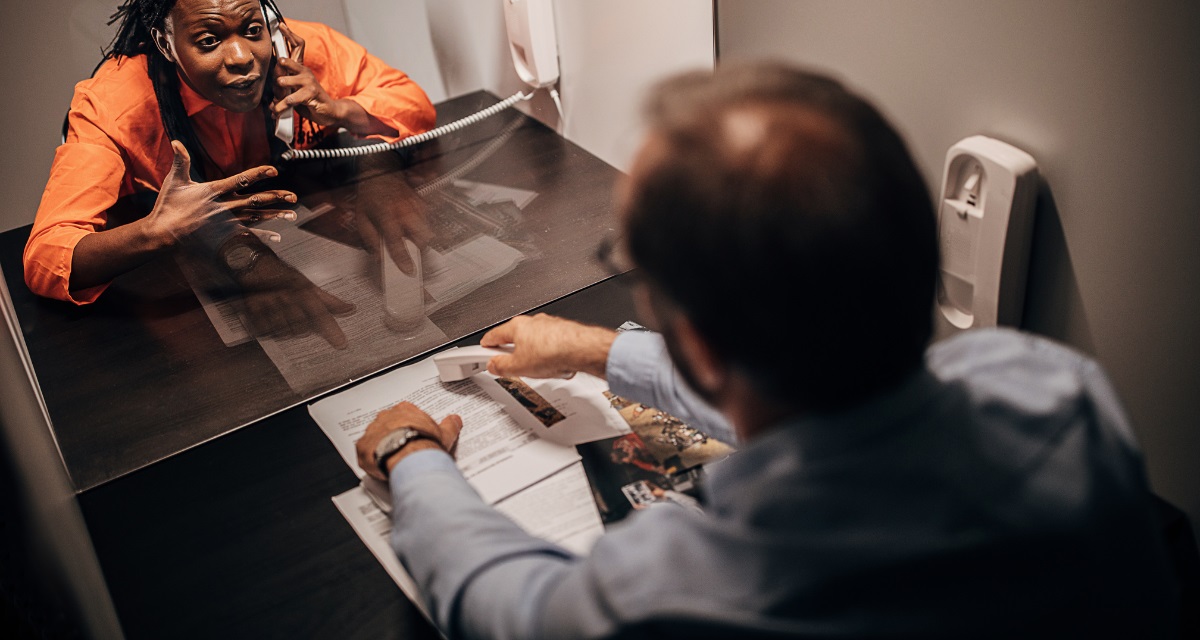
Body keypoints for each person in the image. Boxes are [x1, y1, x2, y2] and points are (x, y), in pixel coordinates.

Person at [356, 62, 1176, 638]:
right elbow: (838, 414)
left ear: (704, 343)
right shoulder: (1058, 391)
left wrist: (412, 455)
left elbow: (506, 605)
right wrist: (603, 351)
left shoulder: (685, 593)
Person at [23, 0, 434, 343]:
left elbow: (411, 101)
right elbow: (46, 256)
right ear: (165, 45)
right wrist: (153, 232)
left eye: (252, 30)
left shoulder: (299, 49)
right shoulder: (112, 104)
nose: (242, 57)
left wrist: (349, 123)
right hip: (184, 289)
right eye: (208, 40)